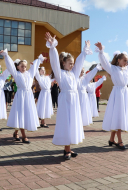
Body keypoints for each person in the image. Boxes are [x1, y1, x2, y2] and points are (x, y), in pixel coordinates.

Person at [95, 42, 128, 150]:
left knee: (119, 116)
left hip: (124, 94)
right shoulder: (113, 68)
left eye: (126, 60)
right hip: (117, 94)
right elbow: (104, 62)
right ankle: (119, 141)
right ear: (118, 60)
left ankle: (111, 139)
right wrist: (101, 51)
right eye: (124, 60)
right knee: (119, 116)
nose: (126, 62)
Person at [45, 32, 91, 160]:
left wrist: (85, 51)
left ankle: (69, 148)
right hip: (65, 99)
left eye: (72, 63)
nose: (72, 65)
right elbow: (54, 61)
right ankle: (66, 149)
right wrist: (53, 47)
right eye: (70, 63)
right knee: (66, 123)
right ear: (63, 63)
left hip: (74, 100)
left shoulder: (74, 74)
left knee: (73, 123)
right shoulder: (60, 74)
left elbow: (80, 63)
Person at [0, 49, 41, 144]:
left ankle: (16, 132)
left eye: (25, 66)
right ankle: (24, 136)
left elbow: (34, 68)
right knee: (21, 114)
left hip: (29, 96)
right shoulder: (16, 73)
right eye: (22, 66)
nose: (24, 68)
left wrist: (39, 60)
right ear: (18, 67)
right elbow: (10, 64)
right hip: (21, 96)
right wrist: (6, 55)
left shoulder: (29, 74)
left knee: (25, 115)